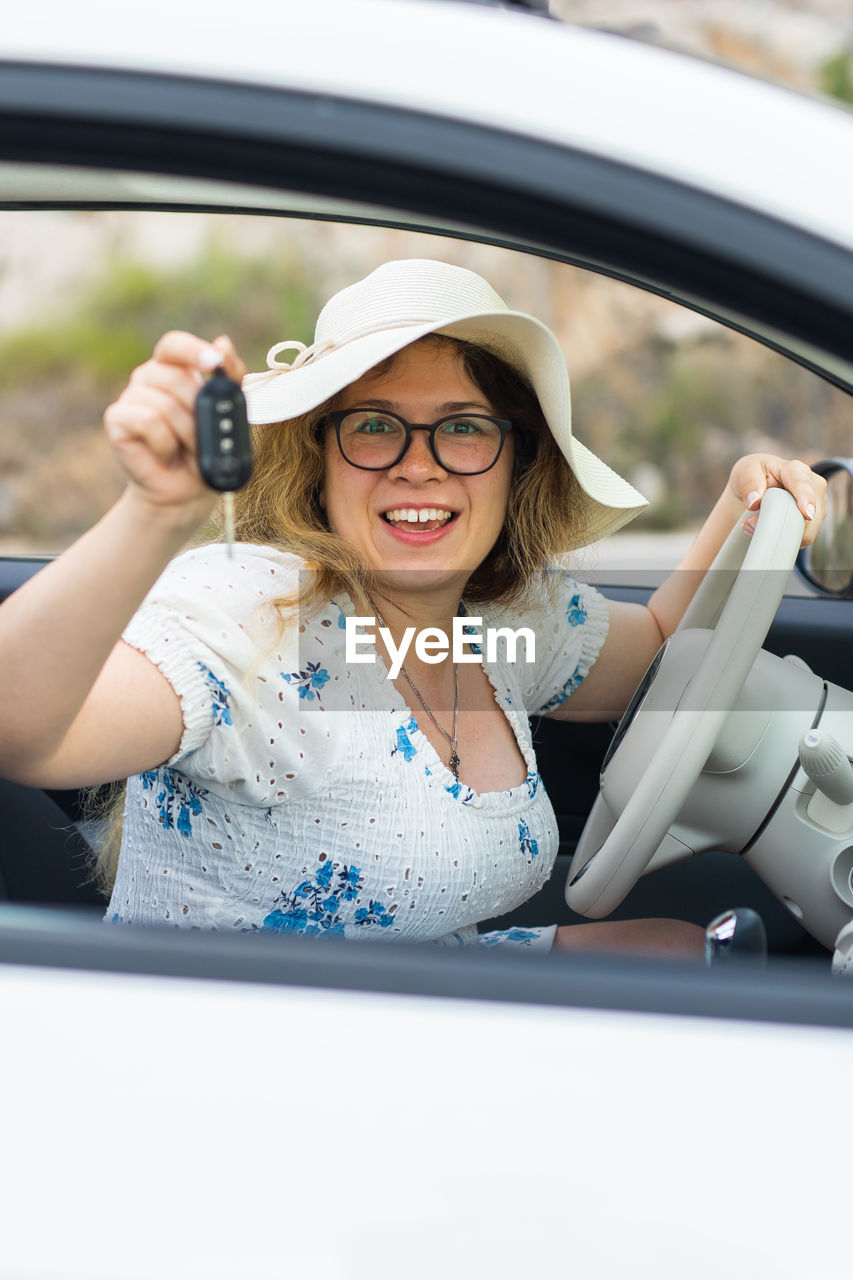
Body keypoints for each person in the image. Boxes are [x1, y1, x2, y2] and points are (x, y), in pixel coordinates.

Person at [0, 259, 826, 956]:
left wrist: (738, 505)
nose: (418, 467)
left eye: (463, 429)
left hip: (423, 993)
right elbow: (21, 727)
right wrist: (155, 510)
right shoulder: (253, 616)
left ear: (516, 463)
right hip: (245, 1060)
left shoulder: (499, 624)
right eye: (373, 426)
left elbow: (659, 652)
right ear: (322, 457)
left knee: (683, 952)